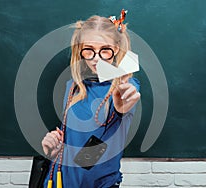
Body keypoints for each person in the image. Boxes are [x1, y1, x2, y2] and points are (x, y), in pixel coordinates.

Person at [41, 10, 141, 188]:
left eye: (105, 50)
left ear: (115, 49)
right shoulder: (72, 87)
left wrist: (120, 106)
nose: (96, 58)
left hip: (101, 184)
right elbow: (72, 142)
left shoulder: (126, 88)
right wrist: (54, 149)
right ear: (81, 51)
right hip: (59, 180)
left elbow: (124, 105)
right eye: (89, 51)